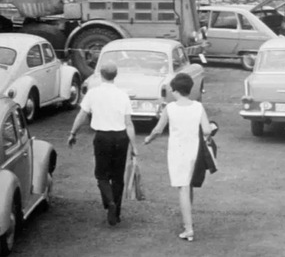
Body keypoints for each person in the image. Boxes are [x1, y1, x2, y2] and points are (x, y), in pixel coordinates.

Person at [144, 72, 213, 242]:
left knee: (182, 187)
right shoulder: (198, 106)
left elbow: (158, 130)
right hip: (195, 150)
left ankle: (188, 228)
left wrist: (148, 139)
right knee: (188, 185)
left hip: (178, 151)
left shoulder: (170, 108)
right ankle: (187, 217)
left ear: (175, 90)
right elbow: (206, 130)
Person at [68, 61, 137, 226]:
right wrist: (134, 146)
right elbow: (129, 123)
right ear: (116, 75)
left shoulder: (93, 93)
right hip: (121, 137)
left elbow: (82, 115)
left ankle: (109, 203)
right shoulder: (123, 95)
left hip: (102, 137)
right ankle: (117, 212)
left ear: (100, 74)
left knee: (101, 174)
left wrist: (73, 133)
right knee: (118, 177)